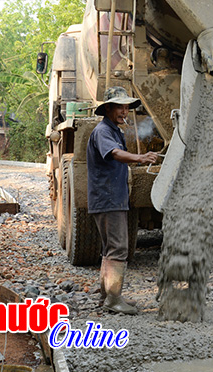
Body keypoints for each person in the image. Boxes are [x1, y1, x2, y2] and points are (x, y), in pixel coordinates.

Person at [87, 86, 159, 314]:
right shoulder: (103, 132)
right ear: (107, 108)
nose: (124, 111)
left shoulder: (113, 130)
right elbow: (115, 154)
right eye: (119, 106)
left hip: (110, 198)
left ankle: (106, 296)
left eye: (126, 107)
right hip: (108, 199)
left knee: (110, 250)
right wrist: (139, 158)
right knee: (119, 249)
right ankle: (113, 300)